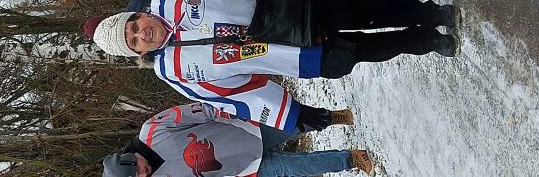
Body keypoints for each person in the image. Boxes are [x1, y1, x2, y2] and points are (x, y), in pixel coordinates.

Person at [83, 0, 462, 130]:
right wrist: (293, 116)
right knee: (366, 50)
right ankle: (426, 41)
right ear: (138, 52)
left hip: (289, 5)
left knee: (368, 9)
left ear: (136, 14)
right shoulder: (174, 72)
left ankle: (429, 13)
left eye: (133, 25)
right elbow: (233, 95)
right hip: (292, 53)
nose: (142, 34)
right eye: (134, 41)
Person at [101, 102, 374, 176]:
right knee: (296, 167)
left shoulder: (152, 131)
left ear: (129, 160)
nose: (143, 174)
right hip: (243, 168)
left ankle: (332, 117)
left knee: (295, 124)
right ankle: (351, 159)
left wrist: (233, 108)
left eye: (137, 171)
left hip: (244, 129)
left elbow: (198, 111)